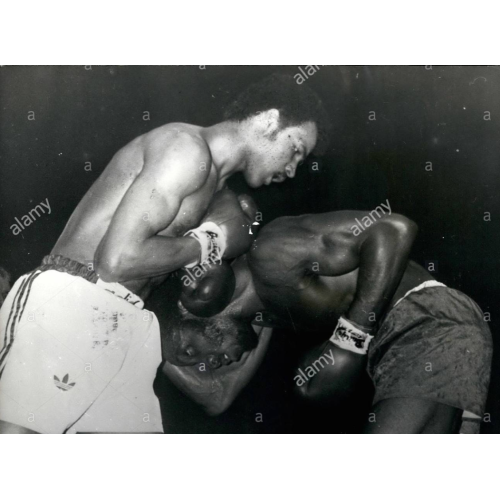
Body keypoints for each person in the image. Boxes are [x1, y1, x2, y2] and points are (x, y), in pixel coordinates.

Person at [0, 74, 330, 434]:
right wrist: (211, 242)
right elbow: (117, 261)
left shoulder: (216, 186)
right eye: (295, 148)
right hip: (75, 298)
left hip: (127, 318)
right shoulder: (185, 149)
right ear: (269, 120)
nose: (293, 169)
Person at [163, 210, 492, 433]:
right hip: (411, 343)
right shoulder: (263, 316)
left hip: (427, 320)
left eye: (191, 352)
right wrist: (145, 344)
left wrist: (350, 340)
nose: (211, 364)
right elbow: (218, 397)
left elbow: (393, 228)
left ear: (189, 309)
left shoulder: (270, 253)